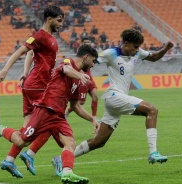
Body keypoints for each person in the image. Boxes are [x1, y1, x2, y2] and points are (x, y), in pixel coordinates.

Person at [51, 29, 174, 176]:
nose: (137, 50)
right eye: (135, 47)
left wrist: (166, 49)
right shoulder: (111, 54)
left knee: (99, 141)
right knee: (152, 110)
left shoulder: (137, 52)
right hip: (114, 96)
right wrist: (76, 75)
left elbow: (153, 57)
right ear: (126, 43)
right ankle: (153, 152)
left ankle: (60, 159)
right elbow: (89, 61)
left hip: (117, 101)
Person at [0, 44, 99, 184]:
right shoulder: (68, 62)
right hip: (45, 110)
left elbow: (75, 106)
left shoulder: (79, 79)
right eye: (94, 61)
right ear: (86, 57)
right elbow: (66, 69)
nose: (94, 65)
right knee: (22, 141)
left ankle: (67, 173)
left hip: (58, 116)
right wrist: (80, 75)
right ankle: (1, 130)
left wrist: (92, 119)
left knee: (70, 143)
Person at [0, 5, 65, 178]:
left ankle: (9, 159)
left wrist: (25, 72)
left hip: (33, 84)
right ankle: (25, 150)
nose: (61, 24)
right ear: (49, 19)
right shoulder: (40, 36)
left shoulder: (49, 38)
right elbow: (22, 51)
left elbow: (31, 55)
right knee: (51, 124)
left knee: (27, 131)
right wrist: (5, 71)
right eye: (59, 20)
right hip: (38, 86)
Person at [65, 36, 98, 119]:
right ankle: (66, 112)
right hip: (81, 77)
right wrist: (80, 75)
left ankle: (94, 117)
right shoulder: (79, 55)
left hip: (89, 78)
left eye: (88, 42)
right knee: (80, 102)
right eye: (85, 42)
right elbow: (67, 68)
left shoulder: (92, 53)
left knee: (95, 97)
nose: (87, 43)